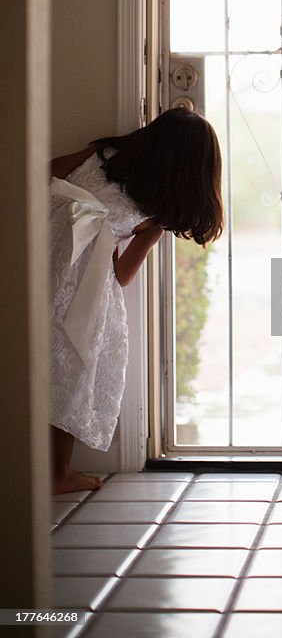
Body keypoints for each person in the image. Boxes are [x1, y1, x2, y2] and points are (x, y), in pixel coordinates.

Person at [49, 107, 223, 493]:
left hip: (43, 265)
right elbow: (123, 275)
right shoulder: (154, 217)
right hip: (84, 291)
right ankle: (57, 472)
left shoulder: (101, 155)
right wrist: (109, 241)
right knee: (72, 369)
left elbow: (48, 171)